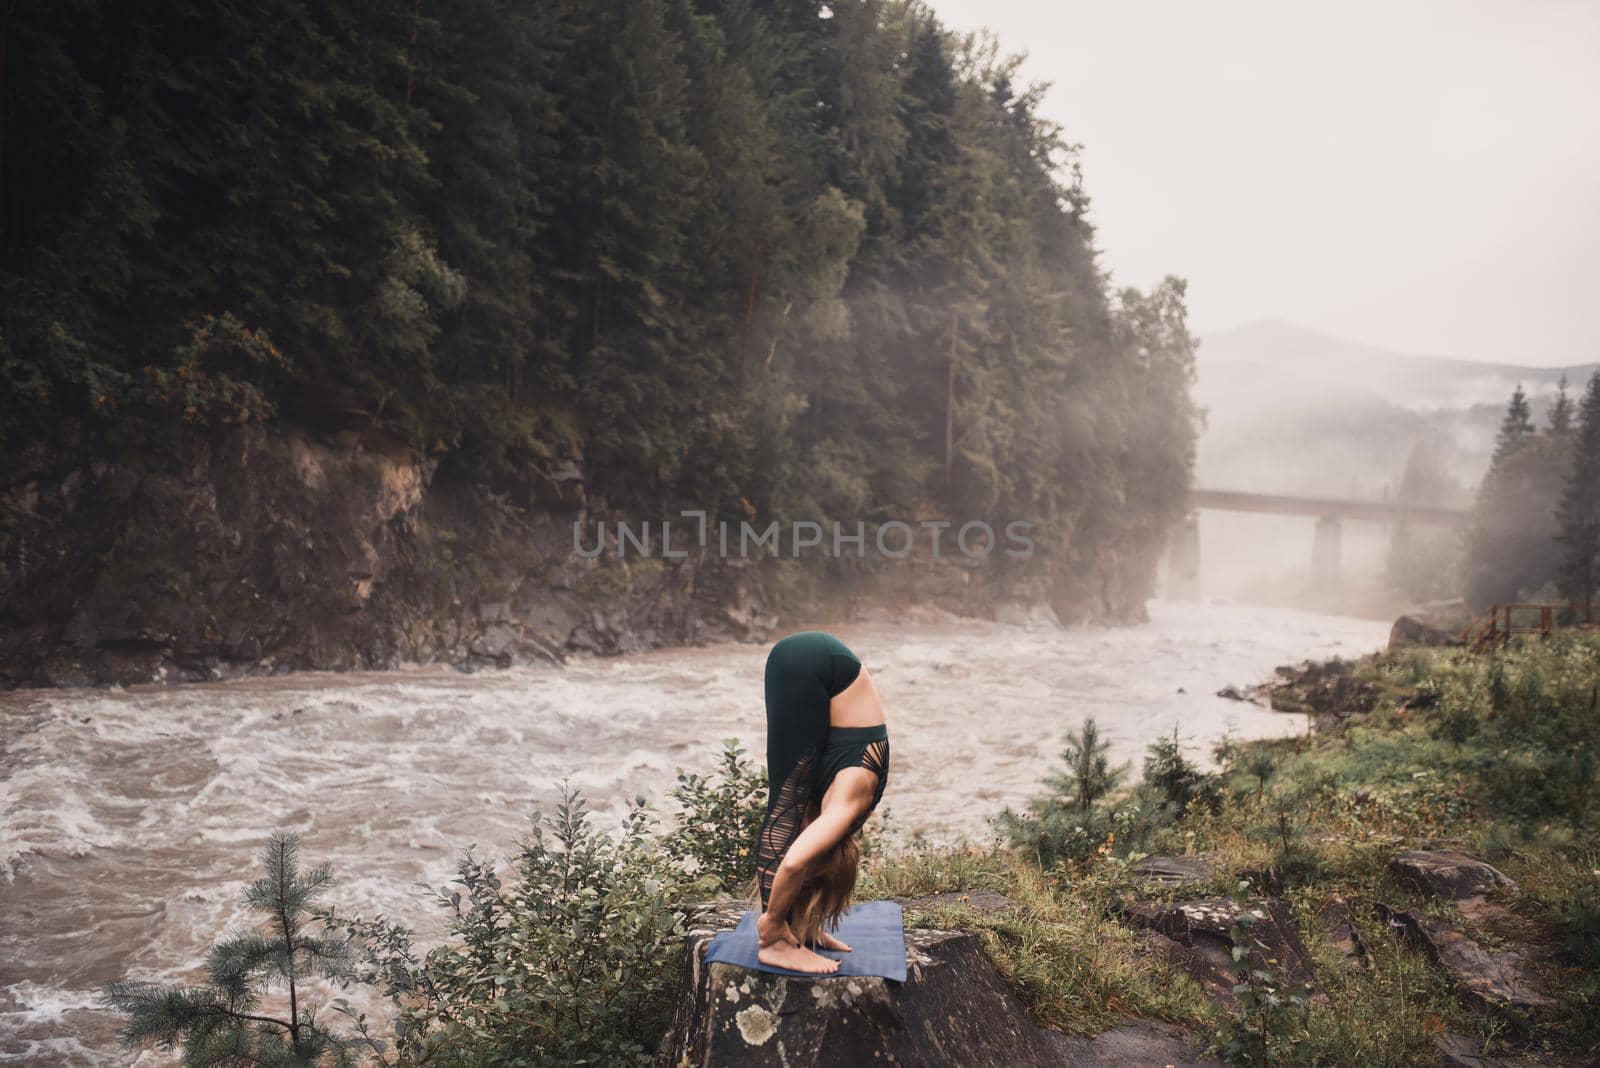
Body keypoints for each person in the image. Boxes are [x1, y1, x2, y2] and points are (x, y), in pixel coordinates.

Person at [754, 630, 890, 974]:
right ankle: (775, 940)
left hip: (821, 663)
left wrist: (809, 928)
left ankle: (797, 930)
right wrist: (770, 919)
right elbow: (794, 864)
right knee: (784, 810)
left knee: (790, 807)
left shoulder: (841, 798)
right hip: (815, 666)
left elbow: (799, 855)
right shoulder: (847, 807)